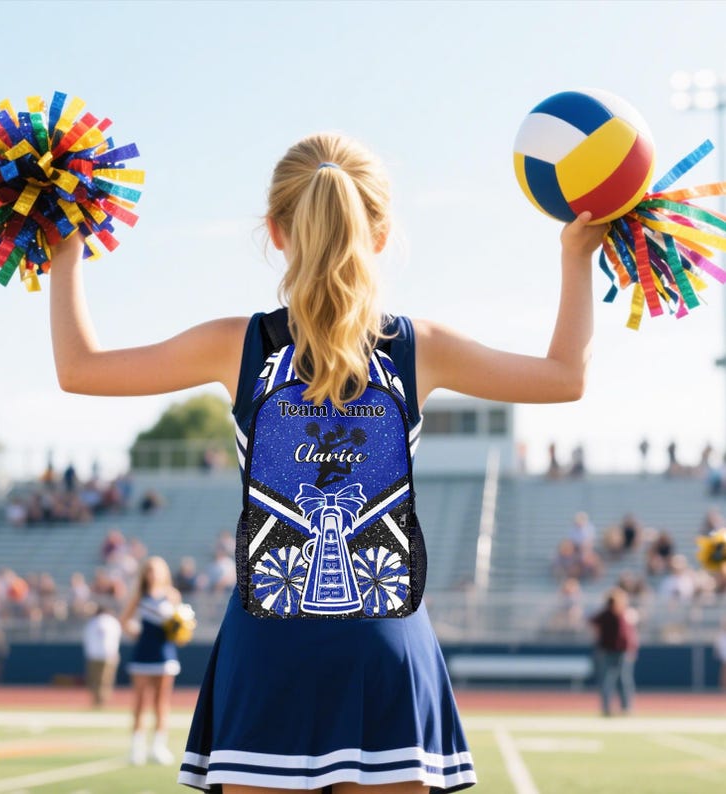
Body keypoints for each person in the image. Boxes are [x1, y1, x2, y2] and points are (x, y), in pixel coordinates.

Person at [50, 132, 604, 792]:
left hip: (269, 645)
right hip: (385, 642)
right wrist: (577, 256)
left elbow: (80, 369)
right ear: (381, 233)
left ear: (275, 231)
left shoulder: (235, 345)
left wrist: (65, 247)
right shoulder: (419, 347)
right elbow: (565, 376)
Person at [120, 556, 182, 766]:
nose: (153, 575)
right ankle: (136, 747)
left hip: (165, 654)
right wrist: (135, 633)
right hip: (143, 655)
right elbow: (124, 620)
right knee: (140, 702)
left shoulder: (172, 596)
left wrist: (180, 633)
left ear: (164, 573)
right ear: (144, 574)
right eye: (149, 571)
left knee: (161, 702)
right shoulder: (140, 596)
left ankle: (158, 747)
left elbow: (179, 625)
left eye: (157, 571)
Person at [589, 587, 639, 716]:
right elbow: (592, 623)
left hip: (622, 651)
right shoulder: (605, 615)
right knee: (607, 680)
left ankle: (626, 707)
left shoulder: (625, 615)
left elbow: (629, 634)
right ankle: (607, 708)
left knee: (624, 680)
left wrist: (631, 648)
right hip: (607, 651)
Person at [82, 605, 122, 708]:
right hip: (108, 655)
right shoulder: (113, 622)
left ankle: (97, 701)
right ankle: (101, 701)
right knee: (105, 679)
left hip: (94, 655)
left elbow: (87, 638)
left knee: (96, 679)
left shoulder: (93, 622)